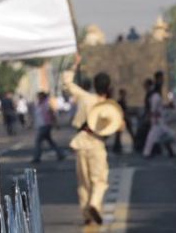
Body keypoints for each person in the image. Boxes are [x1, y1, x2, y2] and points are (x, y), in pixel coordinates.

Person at [61, 55, 111, 226]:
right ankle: (94, 204)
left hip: (81, 141)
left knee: (83, 182)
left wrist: (74, 64)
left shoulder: (85, 97)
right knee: (99, 180)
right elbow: (117, 125)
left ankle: (86, 215)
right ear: (108, 87)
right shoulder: (110, 106)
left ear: (94, 85)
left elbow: (67, 83)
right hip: (97, 143)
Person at [32, 91, 65, 163]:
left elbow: (51, 114)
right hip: (41, 125)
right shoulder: (39, 104)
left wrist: (56, 124)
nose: (38, 98)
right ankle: (60, 154)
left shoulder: (46, 104)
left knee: (38, 141)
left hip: (46, 125)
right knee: (50, 141)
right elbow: (36, 115)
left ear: (42, 96)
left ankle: (36, 157)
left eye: (39, 96)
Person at [111, 88, 135, 154]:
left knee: (126, 132)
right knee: (120, 133)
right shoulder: (121, 101)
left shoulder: (122, 101)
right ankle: (117, 146)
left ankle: (117, 146)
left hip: (123, 119)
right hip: (122, 119)